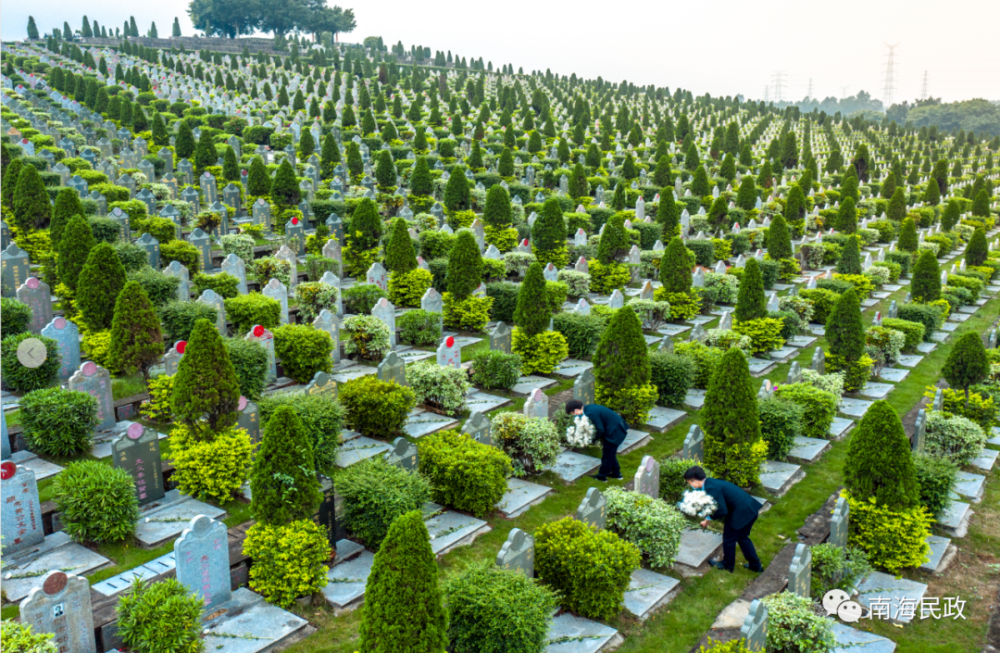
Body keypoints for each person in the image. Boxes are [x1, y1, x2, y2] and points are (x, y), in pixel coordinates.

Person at [683, 465, 764, 573]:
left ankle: (727, 565)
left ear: (694, 481)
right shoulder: (710, 482)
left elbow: (722, 510)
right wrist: (707, 520)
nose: (690, 485)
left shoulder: (710, 488)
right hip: (749, 508)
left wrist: (709, 516)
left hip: (740, 513)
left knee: (729, 539)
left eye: (689, 482)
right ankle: (756, 565)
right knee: (743, 537)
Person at [565, 399, 628, 481]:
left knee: (607, 455)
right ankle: (616, 474)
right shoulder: (588, 408)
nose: (574, 415)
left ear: (576, 410)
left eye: (573, 413)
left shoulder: (590, 413)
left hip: (615, 431)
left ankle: (602, 476)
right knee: (610, 453)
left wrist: (592, 440)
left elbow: (600, 430)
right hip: (616, 427)